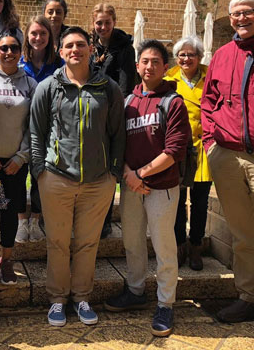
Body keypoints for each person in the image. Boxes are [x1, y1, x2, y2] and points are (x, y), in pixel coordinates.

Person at [30, 26, 125, 327]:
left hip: (98, 181)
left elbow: (117, 133)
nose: (75, 50)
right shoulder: (48, 87)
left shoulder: (108, 88)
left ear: (91, 50)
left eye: (81, 45)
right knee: (57, 242)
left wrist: (113, 172)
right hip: (56, 177)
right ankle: (57, 299)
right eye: (69, 45)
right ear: (60, 52)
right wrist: (39, 171)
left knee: (87, 243)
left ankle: (82, 296)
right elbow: (36, 132)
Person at [104, 39, 190, 338]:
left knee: (164, 247)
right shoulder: (128, 102)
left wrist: (141, 174)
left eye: (156, 61)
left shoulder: (173, 102)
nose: (149, 66)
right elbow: (119, 143)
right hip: (131, 186)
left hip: (161, 188)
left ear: (166, 67)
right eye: (145, 61)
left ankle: (165, 303)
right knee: (132, 242)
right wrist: (129, 174)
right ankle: (136, 289)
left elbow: (176, 149)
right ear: (137, 66)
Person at [201, 0, 254, 323]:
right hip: (225, 154)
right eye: (236, 14)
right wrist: (212, 143)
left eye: (248, 12)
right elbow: (208, 102)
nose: (241, 18)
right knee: (241, 233)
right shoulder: (223, 56)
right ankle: (250, 297)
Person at [0, 29, 37, 285]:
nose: (9, 52)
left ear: (21, 52)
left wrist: (21, 157)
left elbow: (34, 125)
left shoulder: (30, 84)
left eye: (14, 48)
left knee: (12, 211)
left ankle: (7, 260)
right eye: (4, 48)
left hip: (16, 161)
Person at [165, 36, 211, 271]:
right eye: (182, 54)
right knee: (178, 200)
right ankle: (179, 244)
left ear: (199, 57)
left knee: (201, 201)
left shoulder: (210, 77)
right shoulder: (168, 79)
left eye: (191, 54)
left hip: (204, 148)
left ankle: (196, 245)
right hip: (180, 147)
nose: (186, 58)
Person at [16, 15, 63, 243]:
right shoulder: (18, 63)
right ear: (27, 35)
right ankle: (21, 221)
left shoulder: (59, 65)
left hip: (47, 129)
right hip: (19, 128)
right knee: (18, 176)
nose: (38, 38)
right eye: (34, 33)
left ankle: (36, 220)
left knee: (40, 176)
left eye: (43, 33)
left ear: (50, 36)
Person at [92, 3, 137, 238]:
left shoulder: (125, 49)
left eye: (107, 22)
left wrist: (113, 112)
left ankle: (105, 220)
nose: (102, 27)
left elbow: (126, 83)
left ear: (114, 22)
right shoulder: (92, 47)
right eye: (99, 23)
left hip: (113, 114)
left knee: (110, 168)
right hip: (92, 114)